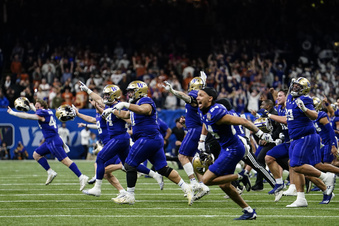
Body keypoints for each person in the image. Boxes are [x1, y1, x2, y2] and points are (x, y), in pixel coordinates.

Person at [104, 80, 194, 205]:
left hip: (147, 138)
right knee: (162, 168)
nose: (129, 94)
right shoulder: (136, 104)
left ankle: (129, 195)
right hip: (153, 139)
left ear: (139, 92)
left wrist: (124, 104)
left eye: (131, 91)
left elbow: (144, 110)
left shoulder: (145, 101)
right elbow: (127, 114)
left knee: (129, 165)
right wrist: (112, 111)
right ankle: (187, 187)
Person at [196, 87, 273, 220]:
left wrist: (260, 134)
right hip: (227, 148)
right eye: (197, 95)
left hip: (233, 149)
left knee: (206, 180)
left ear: (210, 99)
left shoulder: (218, 114)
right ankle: (248, 211)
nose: (197, 97)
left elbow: (244, 121)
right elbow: (196, 107)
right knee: (224, 185)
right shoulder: (204, 109)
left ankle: (241, 176)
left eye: (201, 95)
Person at [78, 82, 164, 198]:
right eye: (105, 95)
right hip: (120, 139)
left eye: (108, 95)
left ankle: (97, 188)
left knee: (100, 158)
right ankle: (154, 174)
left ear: (114, 95)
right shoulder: (109, 105)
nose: (105, 97)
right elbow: (98, 98)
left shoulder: (118, 107)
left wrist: (133, 123)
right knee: (128, 164)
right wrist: (87, 90)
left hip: (119, 138)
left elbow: (130, 119)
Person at [261, 77, 336, 207]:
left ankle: (326, 177)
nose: (295, 88)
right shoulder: (290, 98)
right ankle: (301, 198)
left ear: (304, 90)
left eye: (298, 87)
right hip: (295, 138)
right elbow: (285, 111)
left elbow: (314, 115)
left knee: (298, 164)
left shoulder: (305, 99)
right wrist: (274, 95)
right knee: (295, 165)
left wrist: (305, 109)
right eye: (294, 86)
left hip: (305, 136)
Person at [7, 99, 89, 190]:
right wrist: (33, 107)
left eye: (37, 106)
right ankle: (50, 172)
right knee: (36, 155)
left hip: (53, 141)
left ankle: (82, 177)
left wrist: (13, 113)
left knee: (65, 160)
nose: (36, 107)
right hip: (50, 141)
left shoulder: (42, 113)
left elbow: (28, 116)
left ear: (42, 106)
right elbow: (38, 113)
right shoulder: (47, 111)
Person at [163, 73, 210, 201]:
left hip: (194, 130)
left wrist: (173, 90)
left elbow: (186, 97)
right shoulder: (202, 97)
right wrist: (186, 122)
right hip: (196, 128)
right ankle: (202, 185)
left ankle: (194, 183)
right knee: (189, 158)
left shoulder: (195, 95)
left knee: (181, 155)